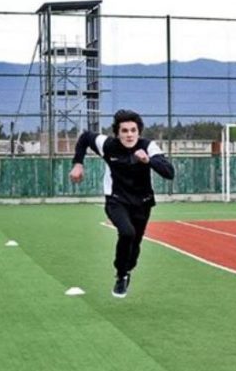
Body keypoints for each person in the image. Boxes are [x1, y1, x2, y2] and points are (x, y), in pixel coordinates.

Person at [69, 109, 175, 298]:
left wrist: (148, 160)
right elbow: (85, 137)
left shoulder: (148, 147)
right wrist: (78, 163)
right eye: (124, 131)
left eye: (133, 130)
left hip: (142, 203)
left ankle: (127, 270)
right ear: (117, 133)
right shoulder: (108, 145)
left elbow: (169, 172)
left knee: (134, 250)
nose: (129, 134)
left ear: (139, 132)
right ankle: (121, 275)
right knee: (127, 232)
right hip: (116, 200)